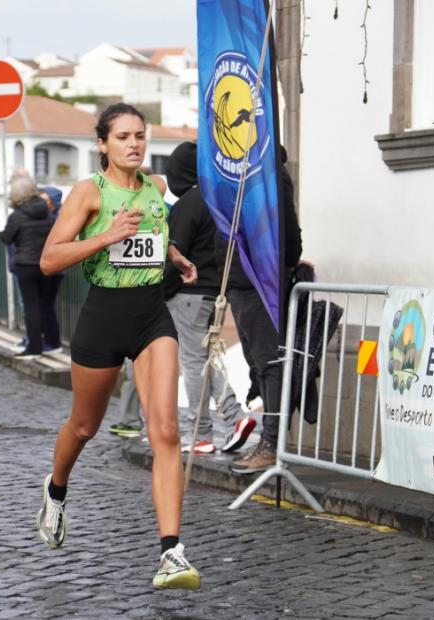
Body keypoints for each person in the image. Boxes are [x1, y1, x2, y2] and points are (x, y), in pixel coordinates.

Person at [36, 103, 202, 590]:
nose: (134, 144)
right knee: (84, 425)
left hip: (152, 315)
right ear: (103, 144)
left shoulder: (155, 188)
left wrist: (174, 254)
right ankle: (56, 488)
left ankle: (171, 552)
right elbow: (50, 258)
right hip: (103, 317)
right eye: (124, 136)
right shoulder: (90, 192)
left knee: (166, 430)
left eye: (140, 136)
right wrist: (108, 234)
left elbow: (154, 231)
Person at [161, 141, 250, 455]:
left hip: (188, 296)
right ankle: (234, 417)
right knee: (207, 361)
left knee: (194, 364)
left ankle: (202, 432)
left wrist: (160, 291)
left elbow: (176, 256)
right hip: (215, 294)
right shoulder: (217, 200)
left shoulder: (188, 203)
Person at [227, 145, 304, 474]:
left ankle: (272, 443)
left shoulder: (269, 173)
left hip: (260, 281)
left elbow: (288, 234)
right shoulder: (235, 170)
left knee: (269, 362)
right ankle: (269, 440)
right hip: (241, 281)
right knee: (259, 364)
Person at [0, 177, 62, 359]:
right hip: (45, 264)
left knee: (31, 306)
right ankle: (51, 342)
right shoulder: (47, 212)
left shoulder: (17, 215)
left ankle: (34, 347)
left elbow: (6, 238)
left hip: (25, 264)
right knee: (45, 304)